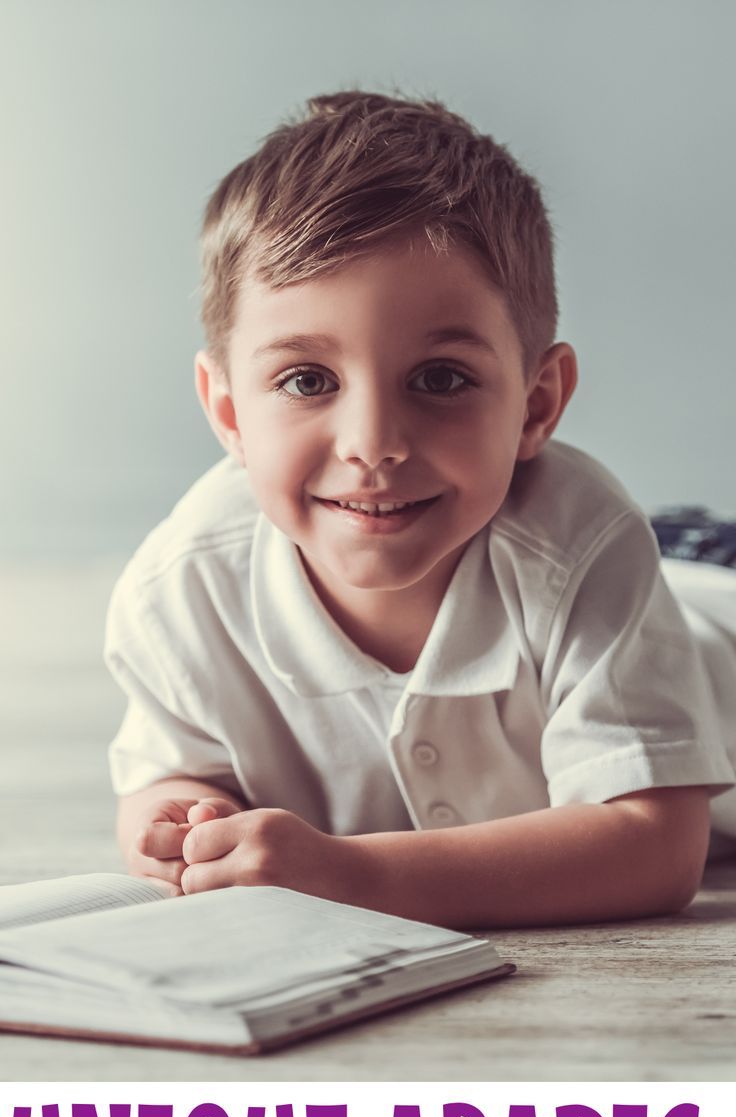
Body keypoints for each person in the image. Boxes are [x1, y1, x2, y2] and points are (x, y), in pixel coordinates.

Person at [104, 89, 736, 929]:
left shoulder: (583, 550)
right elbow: (167, 772)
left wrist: (350, 874)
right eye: (307, 380)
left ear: (537, 404)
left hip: (703, 586)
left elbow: (653, 847)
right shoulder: (181, 590)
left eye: (439, 378)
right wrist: (184, 822)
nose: (372, 443)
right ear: (227, 413)